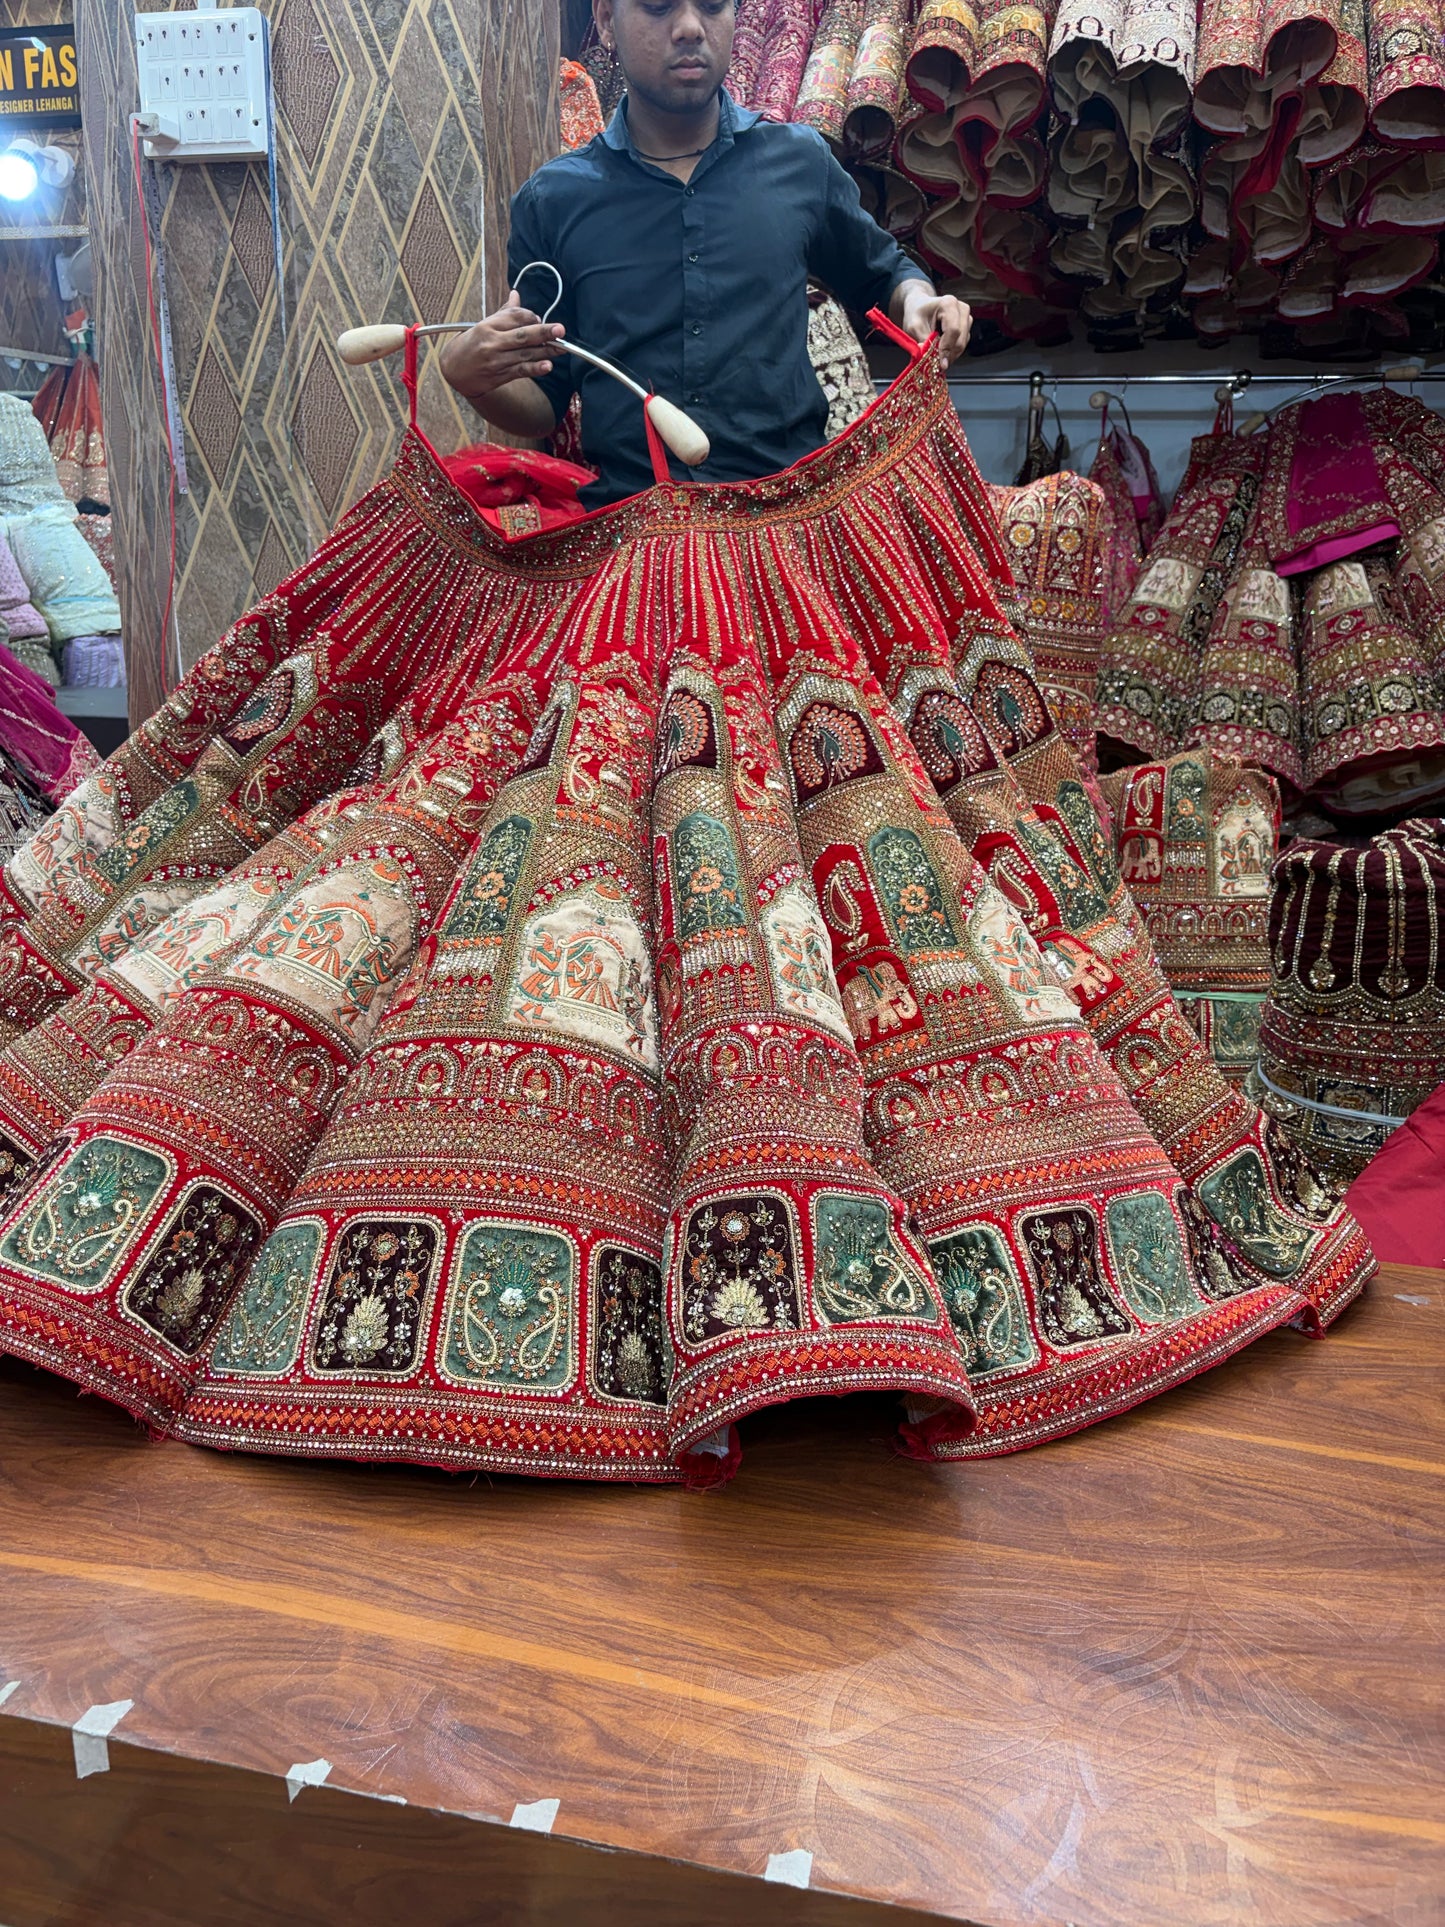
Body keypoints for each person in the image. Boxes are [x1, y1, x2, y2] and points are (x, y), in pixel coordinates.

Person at [439, 0, 971, 508]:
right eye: (658, 6)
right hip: (636, 534)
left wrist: (919, 301)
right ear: (605, 19)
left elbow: (884, 275)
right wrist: (473, 381)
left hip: (789, 519)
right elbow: (544, 403)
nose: (691, 27)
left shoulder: (798, 161)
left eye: (713, 5)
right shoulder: (553, 202)